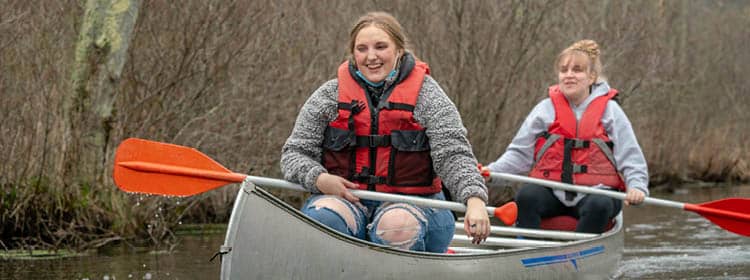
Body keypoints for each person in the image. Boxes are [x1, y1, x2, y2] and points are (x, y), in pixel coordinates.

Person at [280, 11, 490, 252]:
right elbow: (294, 154)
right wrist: (319, 179)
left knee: (395, 227)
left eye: (381, 47)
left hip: (417, 207)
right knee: (324, 217)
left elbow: (455, 156)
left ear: (399, 50)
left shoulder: (429, 97)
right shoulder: (328, 96)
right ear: (353, 54)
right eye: (362, 49)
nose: (371, 57)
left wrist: (474, 199)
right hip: (349, 202)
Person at [482, 39, 648, 234]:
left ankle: (579, 252)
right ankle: (529, 252)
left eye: (577, 70)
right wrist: (491, 173)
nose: (569, 75)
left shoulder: (611, 111)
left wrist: (637, 186)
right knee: (527, 196)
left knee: (599, 204)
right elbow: (519, 154)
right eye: (564, 70)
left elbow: (630, 156)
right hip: (552, 192)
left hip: (597, 192)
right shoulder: (544, 110)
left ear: (591, 77)